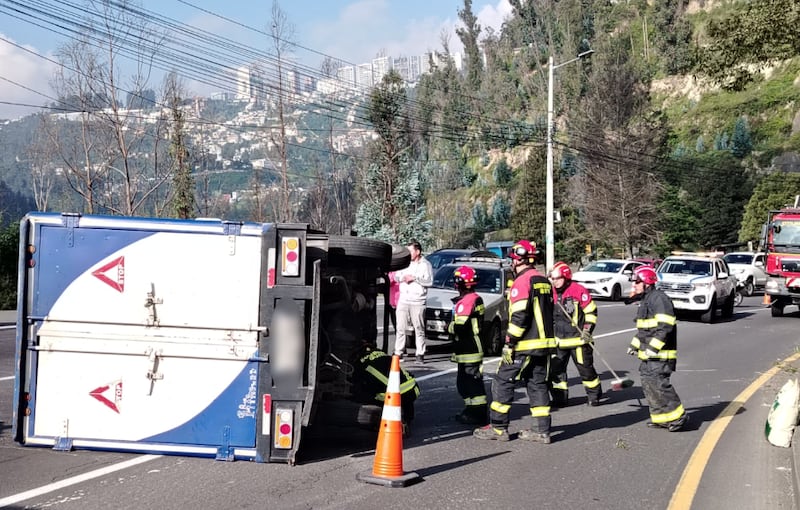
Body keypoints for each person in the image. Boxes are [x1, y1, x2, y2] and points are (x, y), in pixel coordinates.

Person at [474, 240, 556, 443]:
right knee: (537, 385)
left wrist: (509, 342)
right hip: (544, 345)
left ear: (518, 260)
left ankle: (498, 428)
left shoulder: (522, 281)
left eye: (512, 260)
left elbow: (519, 317)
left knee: (502, 382)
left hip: (524, 345)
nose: (512, 263)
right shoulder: (544, 281)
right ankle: (541, 431)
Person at [627, 265, 687, 432]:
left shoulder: (659, 299)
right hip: (648, 355)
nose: (634, 285)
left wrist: (653, 349)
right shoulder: (646, 301)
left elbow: (665, 327)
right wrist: (634, 345)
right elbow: (644, 330)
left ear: (647, 282)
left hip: (660, 355)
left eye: (637, 282)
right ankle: (661, 418)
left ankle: (678, 417)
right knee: (649, 385)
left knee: (660, 385)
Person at [549, 261, 602, 407]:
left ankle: (594, 396)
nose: (555, 282)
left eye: (557, 278)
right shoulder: (550, 292)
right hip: (558, 341)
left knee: (586, 370)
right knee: (556, 372)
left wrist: (587, 330)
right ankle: (559, 398)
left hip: (578, 340)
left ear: (566, 277)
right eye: (553, 279)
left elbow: (591, 311)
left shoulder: (578, 290)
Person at [448, 265, 488, 425]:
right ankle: (471, 410)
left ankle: (477, 414)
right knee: (465, 383)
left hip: (469, 348)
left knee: (471, 383)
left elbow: (459, 327)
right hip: (467, 349)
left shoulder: (467, 301)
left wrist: (448, 327)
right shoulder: (474, 298)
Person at [351, 342, 421, 427]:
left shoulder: (360, 364)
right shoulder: (381, 353)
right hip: (413, 389)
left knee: (361, 392)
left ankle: (384, 420)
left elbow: (358, 383)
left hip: (392, 396)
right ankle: (408, 418)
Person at [393, 240, 433, 363]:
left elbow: (429, 282)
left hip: (418, 301)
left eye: (410, 251)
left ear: (418, 251)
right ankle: (398, 352)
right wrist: (402, 278)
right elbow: (396, 276)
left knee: (419, 328)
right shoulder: (404, 263)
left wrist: (415, 278)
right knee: (400, 327)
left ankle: (420, 353)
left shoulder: (425, 265)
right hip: (404, 299)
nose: (408, 254)